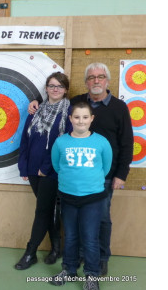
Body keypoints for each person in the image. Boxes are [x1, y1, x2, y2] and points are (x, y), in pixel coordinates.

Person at [29, 63, 133, 275]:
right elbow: (54, 97)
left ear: (107, 81)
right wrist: (36, 101)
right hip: (74, 178)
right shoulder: (75, 103)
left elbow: (127, 143)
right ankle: (73, 263)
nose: (96, 81)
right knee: (73, 224)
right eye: (91, 77)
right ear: (86, 82)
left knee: (101, 220)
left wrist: (121, 174)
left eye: (101, 77)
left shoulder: (119, 107)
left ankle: (101, 259)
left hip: (104, 175)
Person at [49, 101, 112, 290]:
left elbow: (106, 167)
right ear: (70, 119)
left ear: (91, 119)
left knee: (90, 237)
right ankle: (68, 269)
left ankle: (92, 274)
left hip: (92, 199)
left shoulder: (101, 142)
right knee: (70, 236)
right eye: (76, 117)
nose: (81, 121)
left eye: (85, 117)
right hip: (68, 197)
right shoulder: (61, 142)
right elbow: (57, 166)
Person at [15, 72, 72, 270]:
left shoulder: (69, 112)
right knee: (47, 209)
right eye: (51, 85)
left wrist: (46, 168)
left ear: (65, 90)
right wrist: (23, 165)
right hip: (32, 169)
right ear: (46, 88)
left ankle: (30, 253)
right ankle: (56, 247)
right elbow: (25, 138)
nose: (55, 89)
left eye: (59, 86)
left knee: (42, 211)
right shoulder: (36, 110)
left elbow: (64, 143)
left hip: (51, 171)